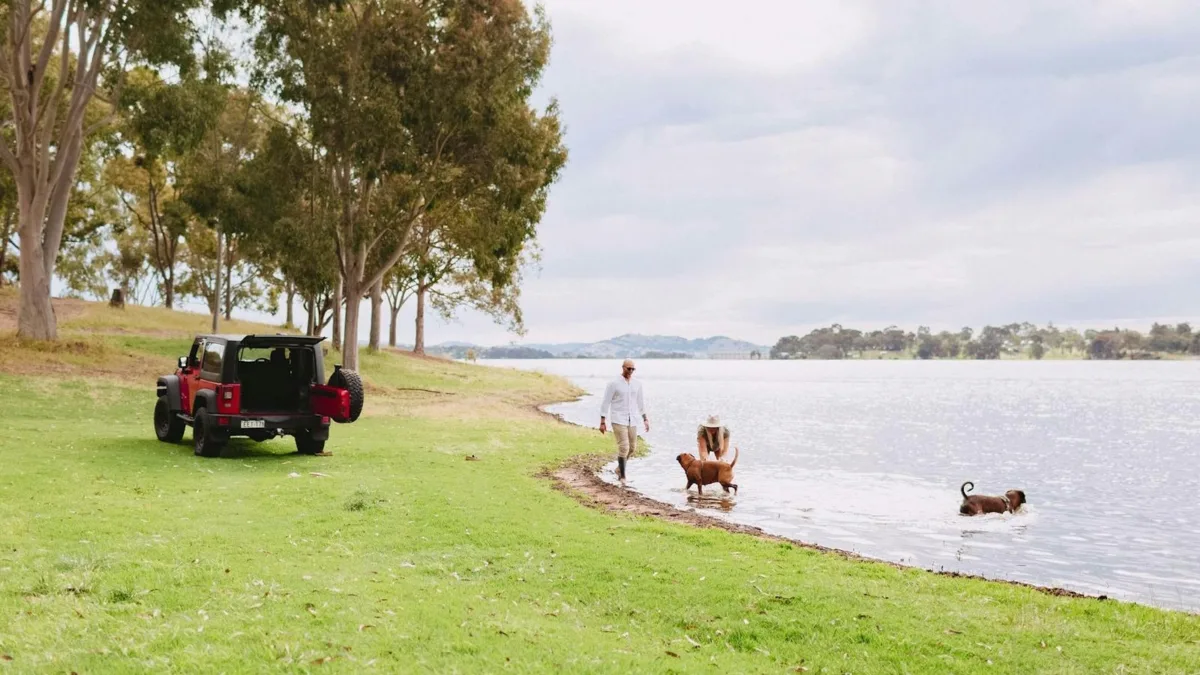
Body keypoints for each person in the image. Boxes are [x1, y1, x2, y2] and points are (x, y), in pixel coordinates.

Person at [599, 358, 649, 481]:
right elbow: (606, 402)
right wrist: (602, 421)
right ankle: (622, 476)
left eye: (633, 369)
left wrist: (645, 419)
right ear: (623, 367)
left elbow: (640, 402)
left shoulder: (637, 384)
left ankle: (618, 469)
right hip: (618, 418)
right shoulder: (614, 383)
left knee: (632, 448)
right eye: (628, 368)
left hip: (633, 419)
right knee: (624, 447)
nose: (631, 371)